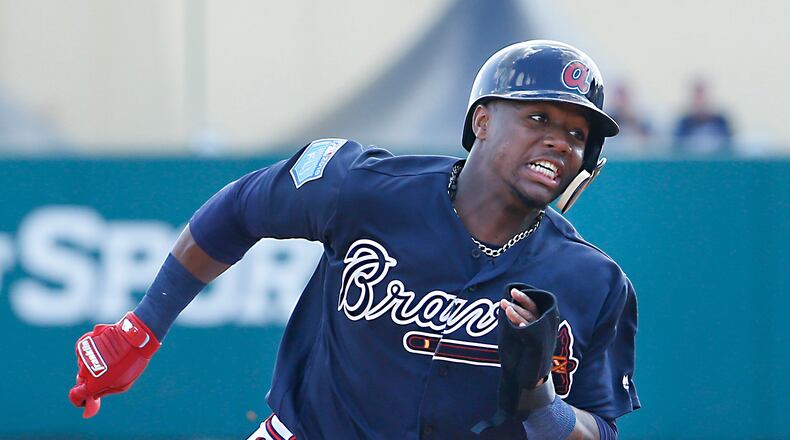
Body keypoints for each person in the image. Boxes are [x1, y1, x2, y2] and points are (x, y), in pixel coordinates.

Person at [68, 40, 640, 439]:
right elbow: (241, 209)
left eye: (576, 133)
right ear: (483, 120)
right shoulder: (364, 188)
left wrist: (542, 405)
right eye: (539, 117)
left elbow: (601, 427)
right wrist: (143, 326)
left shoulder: (593, 281)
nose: (561, 141)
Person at [673, 78, 733, 155]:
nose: (700, 101)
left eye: (702, 96)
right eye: (697, 97)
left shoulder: (720, 121)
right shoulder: (684, 123)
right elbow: (677, 147)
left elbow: (729, 145)